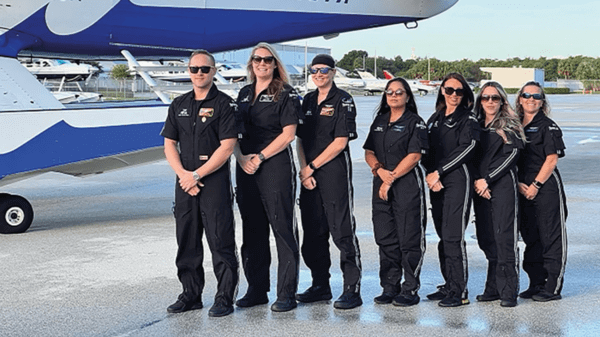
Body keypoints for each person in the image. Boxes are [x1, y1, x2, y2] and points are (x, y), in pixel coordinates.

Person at [161, 50, 239, 317]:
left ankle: (224, 297)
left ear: (214, 71)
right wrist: (184, 174)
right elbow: (169, 143)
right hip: (184, 184)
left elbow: (227, 147)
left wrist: (197, 175)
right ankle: (190, 294)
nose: (199, 73)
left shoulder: (225, 104)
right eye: (194, 69)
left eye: (204, 69)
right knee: (187, 241)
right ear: (189, 71)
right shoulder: (179, 104)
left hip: (213, 183)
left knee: (220, 240)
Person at [234, 42, 303, 312]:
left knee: (282, 230)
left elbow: (288, 134)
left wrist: (259, 157)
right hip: (245, 166)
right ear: (251, 63)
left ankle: (286, 293)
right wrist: (240, 158)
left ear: (275, 64)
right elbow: (232, 133)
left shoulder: (285, 93)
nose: (262, 64)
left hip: (274, 166)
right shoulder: (243, 93)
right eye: (257, 59)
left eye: (267, 60)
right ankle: (256, 289)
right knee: (252, 231)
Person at [295, 54, 362, 310]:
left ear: (333, 72)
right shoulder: (309, 100)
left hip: (333, 172)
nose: (318, 74)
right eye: (314, 71)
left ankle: (351, 288)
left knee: (342, 230)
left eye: (323, 70)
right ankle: (320, 285)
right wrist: (304, 169)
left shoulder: (343, 99)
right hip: (309, 175)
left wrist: (312, 167)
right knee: (313, 233)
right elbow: (300, 139)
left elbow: (340, 142)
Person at [363, 77, 428, 307]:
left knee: (409, 237)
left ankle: (410, 288)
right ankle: (390, 286)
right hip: (381, 183)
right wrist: (379, 170)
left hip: (406, 184)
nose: (394, 95)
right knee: (385, 237)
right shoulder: (379, 121)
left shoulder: (415, 122)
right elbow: (369, 151)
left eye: (399, 92)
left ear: (407, 97)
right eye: (390, 92)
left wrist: (390, 179)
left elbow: (414, 156)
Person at [423, 72, 479, 307]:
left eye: (459, 91)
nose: (454, 95)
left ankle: (460, 291)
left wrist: (440, 171)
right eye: (449, 90)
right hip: (436, 182)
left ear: (465, 93)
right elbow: (425, 149)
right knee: (443, 236)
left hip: (457, 179)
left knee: (454, 236)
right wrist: (430, 174)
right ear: (442, 91)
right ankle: (449, 284)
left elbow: (469, 147)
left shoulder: (469, 119)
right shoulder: (434, 118)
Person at [472, 81, 525, 307]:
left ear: (502, 100)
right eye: (485, 98)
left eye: (495, 98)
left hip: (501, 184)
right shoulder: (475, 124)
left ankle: (508, 290)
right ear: (480, 101)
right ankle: (492, 287)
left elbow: (512, 156)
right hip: (479, 188)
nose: (490, 102)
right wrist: (477, 182)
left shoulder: (509, 124)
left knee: (504, 237)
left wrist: (488, 179)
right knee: (486, 238)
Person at [515, 81, 568, 302]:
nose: (531, 99)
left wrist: (536, 185)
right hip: (521, 188)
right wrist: (519, 184)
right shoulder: (514, 125)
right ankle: (535, 282)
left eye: (536, 96)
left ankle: (552, 287)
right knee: (531, 237)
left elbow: (552, 158)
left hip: (545, 188)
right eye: (527, 95)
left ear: (542, 101)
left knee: (550, 237)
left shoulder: (548, 126)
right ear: (519, 99)